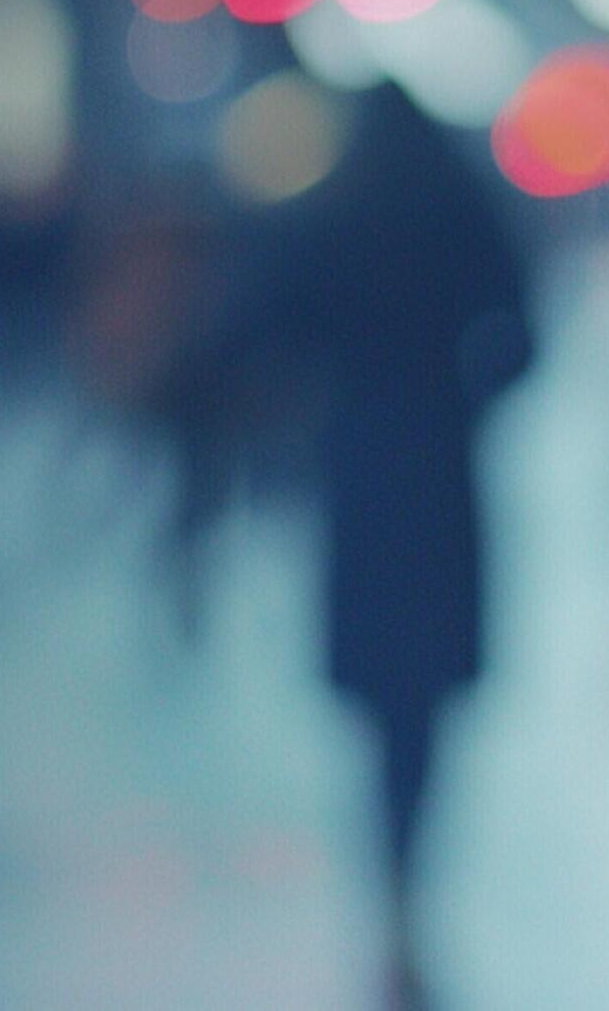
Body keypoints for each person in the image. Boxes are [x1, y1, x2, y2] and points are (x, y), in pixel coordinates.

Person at [191, 83, 530, 1011]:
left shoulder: (338, 212)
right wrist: (460, 398)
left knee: (381, 695)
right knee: (422, 705)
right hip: (441, 480)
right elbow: (521, 336)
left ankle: (392, 882)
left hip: (360, 482)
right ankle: (407, 881)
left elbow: (258, 329)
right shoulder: (458, 208)